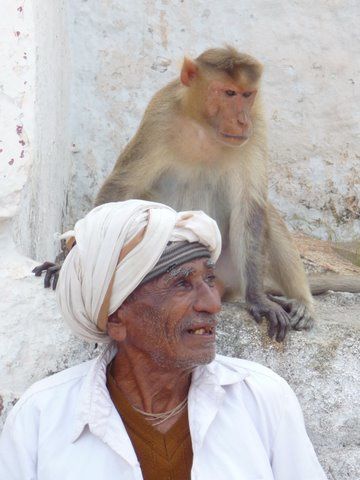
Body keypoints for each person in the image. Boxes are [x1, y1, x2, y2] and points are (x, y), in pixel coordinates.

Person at [0, 200, 327, 479]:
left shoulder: (262, 399)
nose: (212, 304)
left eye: (209, 279)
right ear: (116, 317)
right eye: (183, 284)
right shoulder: (41, 418)